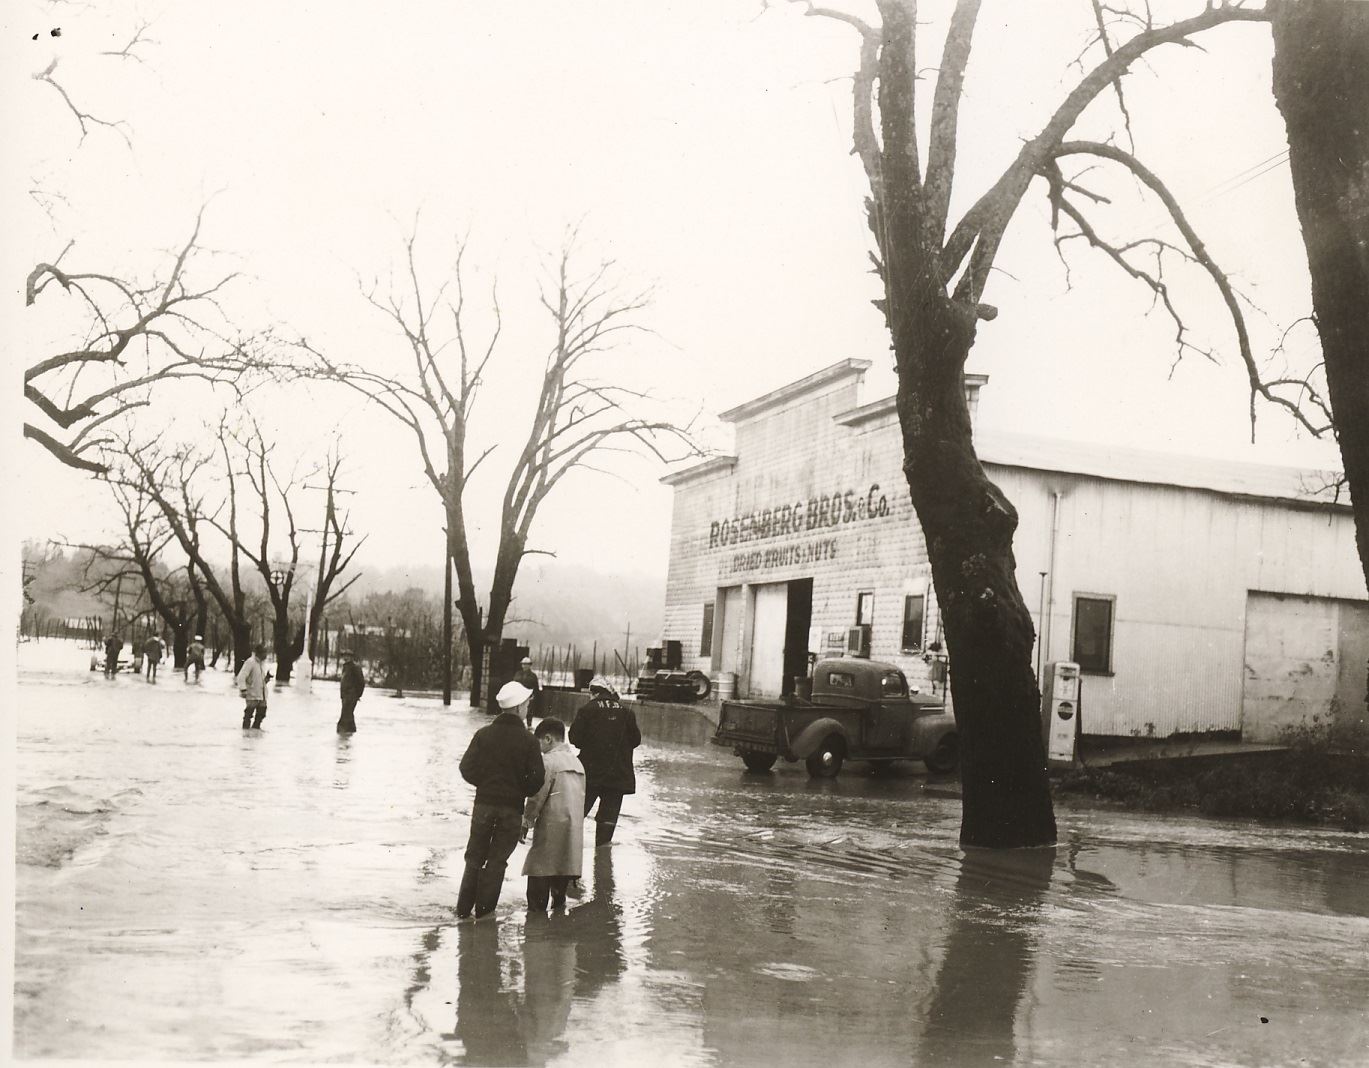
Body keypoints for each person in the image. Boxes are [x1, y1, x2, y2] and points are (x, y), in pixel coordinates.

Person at [456, 681, 545, 920]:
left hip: (483, 805)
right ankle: (484, 914)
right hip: (511, 809)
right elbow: (537, 779)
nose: (528, 707)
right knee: (497, 860)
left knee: (474, 855)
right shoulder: (529, 741)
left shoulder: (483, 734)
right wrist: (518, 790)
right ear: (517, 708)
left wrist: (485, 785)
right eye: (526, 704)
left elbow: (466, 767)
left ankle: (463, 911)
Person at [520, 718, 585, 911]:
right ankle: (558, 920)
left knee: (539, 878)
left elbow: (537, 796)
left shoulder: (547, 761)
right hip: (572, 828)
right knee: (561, 878)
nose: (538, 749)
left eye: (539, 743)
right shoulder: (578, 763)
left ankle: (536, 926)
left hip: (551, 826)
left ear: (547, 739)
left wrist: (526, 821)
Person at [569, 676, 641, 848]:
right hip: (618, 776)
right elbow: (636, 741)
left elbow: (574, 739)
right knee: (607, 823)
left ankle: (569, 859)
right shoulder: (627, 712)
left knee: (577, 815)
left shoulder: (587, 710)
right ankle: (601, 863)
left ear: (593, 692)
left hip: (591, 774)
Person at [236, 643, 270, 730]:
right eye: (264, 653)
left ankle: (255, 732)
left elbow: (258, 680)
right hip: (252, 695)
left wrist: (266, 679)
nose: (266, 655)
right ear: (259, 653)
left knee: (261, 714)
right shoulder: (250, 662)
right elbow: (241, 677)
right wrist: (243, 690)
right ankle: (246, 733)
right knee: (248, 715)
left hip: (262, 695)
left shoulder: (261, 664)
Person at [337, 650, 365, 734]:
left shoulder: (355, 667)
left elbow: (361, 682)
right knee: (348, 715)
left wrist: (357, 695)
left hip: (351, 695)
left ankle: (343, 734)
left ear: (351, 657)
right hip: (346, 696)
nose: (345, 657)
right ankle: (349, 733)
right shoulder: (346, 667)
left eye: (348, 656)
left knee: (345, 715)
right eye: (344, 656)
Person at [513, 656, 544, 727]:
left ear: (530, 665)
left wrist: (534, 696)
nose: (524, 666)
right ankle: (518, 724)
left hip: (528, 696)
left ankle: (529, 725)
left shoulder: (533, 676)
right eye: (523, 664)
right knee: (518, 710)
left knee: (529, 711)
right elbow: (514, 684)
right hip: (519, 695)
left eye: (526, 664)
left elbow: (535, 687)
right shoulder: (518, 674)